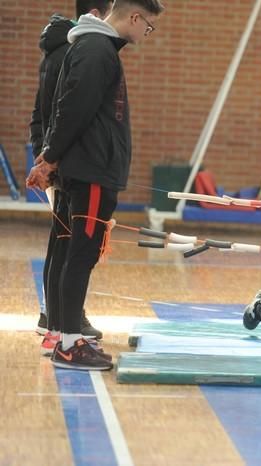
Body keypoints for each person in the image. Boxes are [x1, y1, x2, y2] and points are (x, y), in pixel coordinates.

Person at [26, 0, 165, 370]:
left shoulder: (95, 48)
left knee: (75, 252)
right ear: (134, 17)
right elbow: (72, 108)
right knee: (80, 255)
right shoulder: (95, 49)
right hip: (90, 172)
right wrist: (51, 157)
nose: (145, 34)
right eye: (147, 26)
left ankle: (64, 332)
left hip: (89, 168)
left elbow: (66, 108)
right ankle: (69, 344)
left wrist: (51, 156)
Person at [30, 1, 114, 342]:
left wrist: (44, 155)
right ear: (97, 13)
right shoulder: (79, 50)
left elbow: (42, 112)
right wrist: (49, 158)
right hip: (68, 162)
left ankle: (54, 316)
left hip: (57, 158)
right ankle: (64, 320)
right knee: (69, 246)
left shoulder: (60, 48)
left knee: (60, 240)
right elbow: (67, 113)